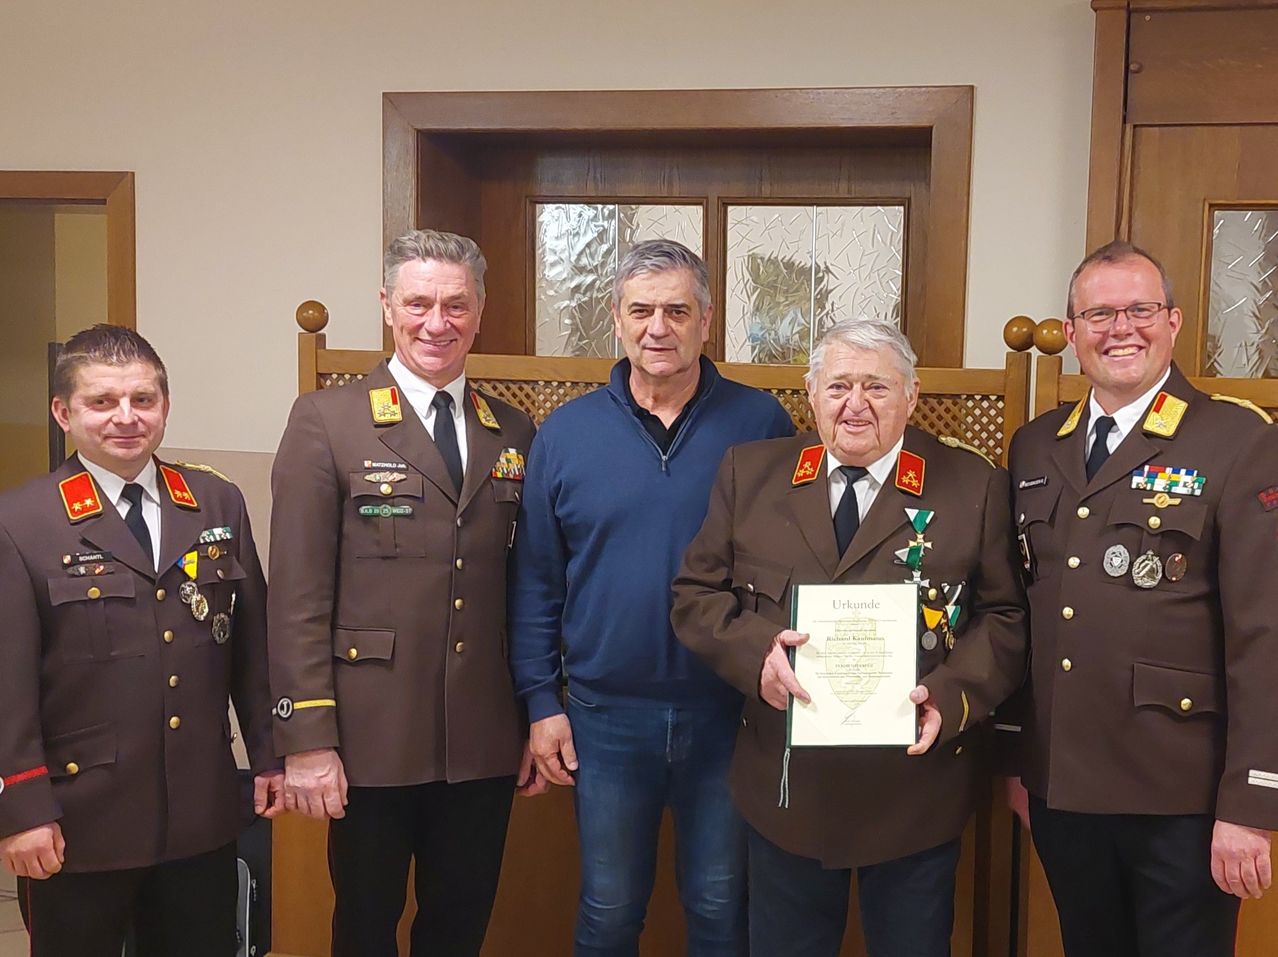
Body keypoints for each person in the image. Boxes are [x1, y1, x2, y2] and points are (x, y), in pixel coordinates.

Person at [671, 318, 1027, 957]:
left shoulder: (972, 486)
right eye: (838, 386)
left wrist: (952, 693)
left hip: (915, 793)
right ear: (810, 394)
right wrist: (758, 659)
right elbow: (696, 597)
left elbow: (1004, 617)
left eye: (876, 387)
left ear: (912, 396)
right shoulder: (749, 475)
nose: (855, 404)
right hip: (787, 790)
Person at [509, 239, 794, 955]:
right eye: (641, 310)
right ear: (616, 317)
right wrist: (543, 703)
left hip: (730, 714)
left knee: (722, 905)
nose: (657, 327)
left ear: (707, 319)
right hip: (605, 716)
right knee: (607, 911)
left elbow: (795, 562)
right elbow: (538, 578)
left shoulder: (761, 425)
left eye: (676, 309)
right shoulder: (566, 434)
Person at [268, 228, 543, 957]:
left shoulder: (510, 428)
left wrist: (531, 711)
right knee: (365, 924)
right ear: (387, 306)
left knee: (460, 924)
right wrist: (307, 740)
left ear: (480, 312)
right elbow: (296, 595)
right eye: (418, 302)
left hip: (481, 734)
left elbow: (525, 586)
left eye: (456, 304)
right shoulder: (328, 420)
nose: (437, 322)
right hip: (368, 733)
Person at [1003, 240, 1278, 957]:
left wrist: (1251, 803)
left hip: (1181, 798)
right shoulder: (1035, 446)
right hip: (1063, 788)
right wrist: (1020, 761)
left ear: (1174, 321)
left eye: (1140, 309)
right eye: (1099, 312)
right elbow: (1024, 612)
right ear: (1071, 332)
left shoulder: (1237, 439)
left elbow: (1265, 632)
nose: (1120, 327)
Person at [0, 324, 281, 957]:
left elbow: (250, 647)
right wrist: (21, 807)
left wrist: (268, 753)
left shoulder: (214, 502)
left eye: (143, 399)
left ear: (164, 406)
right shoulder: (22, 521)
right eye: (102, 402)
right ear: (63, 413)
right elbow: (6, 684)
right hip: (79, 820)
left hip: (199, 813)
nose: (126, 418)